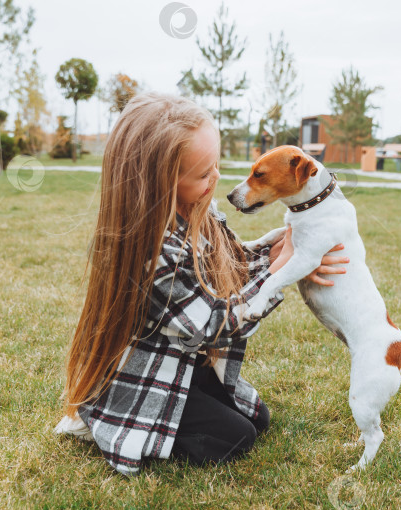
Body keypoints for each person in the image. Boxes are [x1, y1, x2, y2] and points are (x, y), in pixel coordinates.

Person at [55, 91, 349, 477]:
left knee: (258, 420)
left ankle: (181, 401)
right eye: (203, 173)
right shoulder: (152, 248)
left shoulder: (199, 208)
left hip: (183, 358)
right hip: (144, 372)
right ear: (161, 181)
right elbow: (213, 324)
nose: (216, 179)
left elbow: (234, 262)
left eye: (216, 166)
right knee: (234, 439)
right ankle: (105, 417)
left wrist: (288, 252)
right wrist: (280, 269)